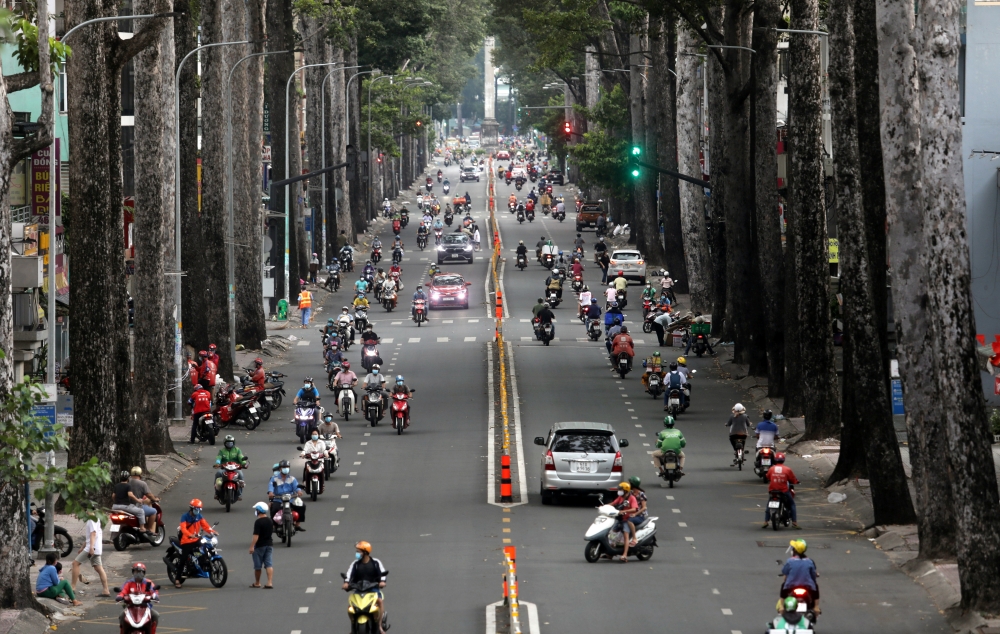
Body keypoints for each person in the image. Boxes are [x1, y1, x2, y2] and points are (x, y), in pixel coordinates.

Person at [342, 541, 389, 634]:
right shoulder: (355, 564)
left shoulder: (375, 562)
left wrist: (382, 582)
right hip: (359, 589)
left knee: (379, 601)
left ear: (365, 552)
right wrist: (346, 583)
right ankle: (353, 629)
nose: (357, 553)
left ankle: (379, 626)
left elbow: (382, 573)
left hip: (373, 589)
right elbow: (348, 574)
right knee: (351, 606)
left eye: (358, 551)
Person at [174, 499, 216, 588]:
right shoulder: (184, 516)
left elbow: (205, 525)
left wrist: (212, 531)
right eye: (196, 509)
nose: (198, 511)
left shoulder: (199, 516)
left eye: (199, 509)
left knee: (205, 548)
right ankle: (177, 579)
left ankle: (202, 566)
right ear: (191, 508)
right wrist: (190, 535)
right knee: (183, 559)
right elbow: (183, 529)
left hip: (196, 539)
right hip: (186, 541)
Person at [71, 513, 110, 597]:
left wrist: (91, 547)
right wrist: (82, 547)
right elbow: (90, 536)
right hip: (94, 547)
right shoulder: (95, 518)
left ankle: (72, 587)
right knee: (98, 568)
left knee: (75, 563)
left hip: (92, 547)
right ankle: (106, 590)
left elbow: (93, 534)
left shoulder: (92, 519)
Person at [116, 563, 159, 633]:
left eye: (140, 572)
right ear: (133, 572)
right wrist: (120, 596)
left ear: (144, 573)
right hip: (130, 607)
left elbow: (154, 591)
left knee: (156, 615)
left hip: (145, 607)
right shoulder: (129, 583)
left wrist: (155, 596)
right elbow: (123, 591)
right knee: (121, 616)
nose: (138, 573)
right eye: (136, 571)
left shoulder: (148, 582)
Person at [781, 540, 820, 612]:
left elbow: (785, 574)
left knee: (783, 585)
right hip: (807, 586)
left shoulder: (790, 561)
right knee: (815, 586)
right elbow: (813, 576)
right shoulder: (809, 561)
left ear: (794, 550)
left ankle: (781, 606)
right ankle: (816, 607)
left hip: (791, 586)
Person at [764, 453, 801, 529]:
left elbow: (767, 476)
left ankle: (765, 521)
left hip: (772, 490)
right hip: (783, 490)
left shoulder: (771, 468)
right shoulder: (787, 469)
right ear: (783, 460)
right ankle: (794, 522)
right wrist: (796, 481)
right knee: (792, 504)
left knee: (768, 505)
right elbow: (793, 479)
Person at [268, 461, 306, 531]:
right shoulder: (274, 478)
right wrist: (271, 492)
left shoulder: (292, 478)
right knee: (274, 509)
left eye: (287, 467)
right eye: (284, 467)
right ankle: (274, 525)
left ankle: (297, 524)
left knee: (302, 506)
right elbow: (271, 487)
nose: (286, 469)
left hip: (291, 498)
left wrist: (299, 491)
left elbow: (296, 487)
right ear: (280, 469)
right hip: (278, 499)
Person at [608, 483, 638, 562]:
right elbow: (613, 503)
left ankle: (624, 555)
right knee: (612, 534)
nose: (619, 491)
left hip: (627, 520)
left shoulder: (632, 498)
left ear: (625, 491)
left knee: (626, 536)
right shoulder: (620, 497)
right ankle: (610, 553)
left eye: (621, 490)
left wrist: (624, 511)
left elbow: (634, 509)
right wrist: (605, 506)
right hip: (620, 519)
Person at [213, 435, 248, 501]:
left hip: (235, 468)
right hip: (224, 468)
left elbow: (241, 457)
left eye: (231, 443)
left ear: (233, 443)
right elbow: (218, 458)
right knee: (218, 474)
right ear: (225, 443)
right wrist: (217, 463)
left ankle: (240, 494)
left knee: (240, 475)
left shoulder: (237, 450)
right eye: (228, 443)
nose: (229, 444)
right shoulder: (221, 451)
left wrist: (244, 463)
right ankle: (216, 493)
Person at [111, 470, 147, 535]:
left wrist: (116, 502)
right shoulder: (128, 486)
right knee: (140, 511)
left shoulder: (116, 486)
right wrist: (138, 500)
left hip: (115, 506)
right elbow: (130, 495)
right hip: (125, 506)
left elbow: (113, 496)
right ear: (128, 478)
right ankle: (142, 528)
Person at [249, 502, 274, 589]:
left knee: (257, 566)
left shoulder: (258, 522)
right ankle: (269, 582)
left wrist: (252, 546)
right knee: (269, 564)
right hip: (269, 545)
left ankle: (257, 582)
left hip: (259, 546)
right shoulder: (270, 520)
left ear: (259, 511)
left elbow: (256, 535)